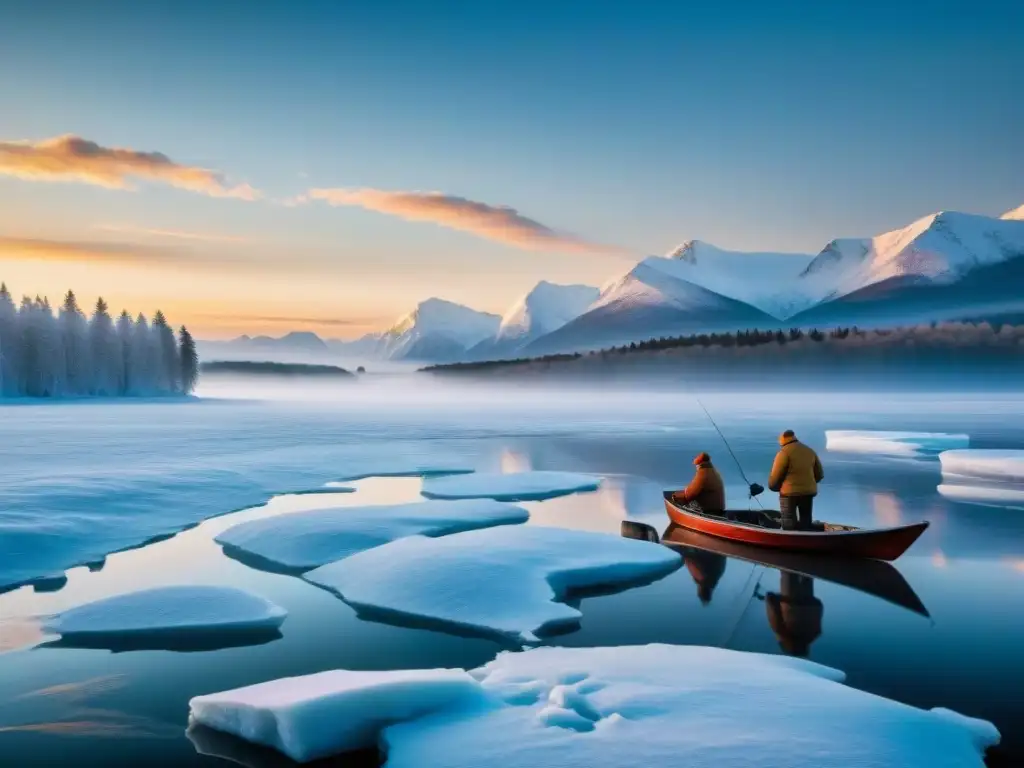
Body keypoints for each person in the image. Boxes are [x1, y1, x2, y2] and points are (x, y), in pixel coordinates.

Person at [768, 430, 824, 531]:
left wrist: (774, 487)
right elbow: (819, 475)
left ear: (783, 439)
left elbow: (775, 477)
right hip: (808, 492)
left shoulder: (784, 453)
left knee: (788, 524)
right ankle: (808, 540)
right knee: (806, 521)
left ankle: (789, 542)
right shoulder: (809, 451)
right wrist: (808, 484)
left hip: (789, 494)